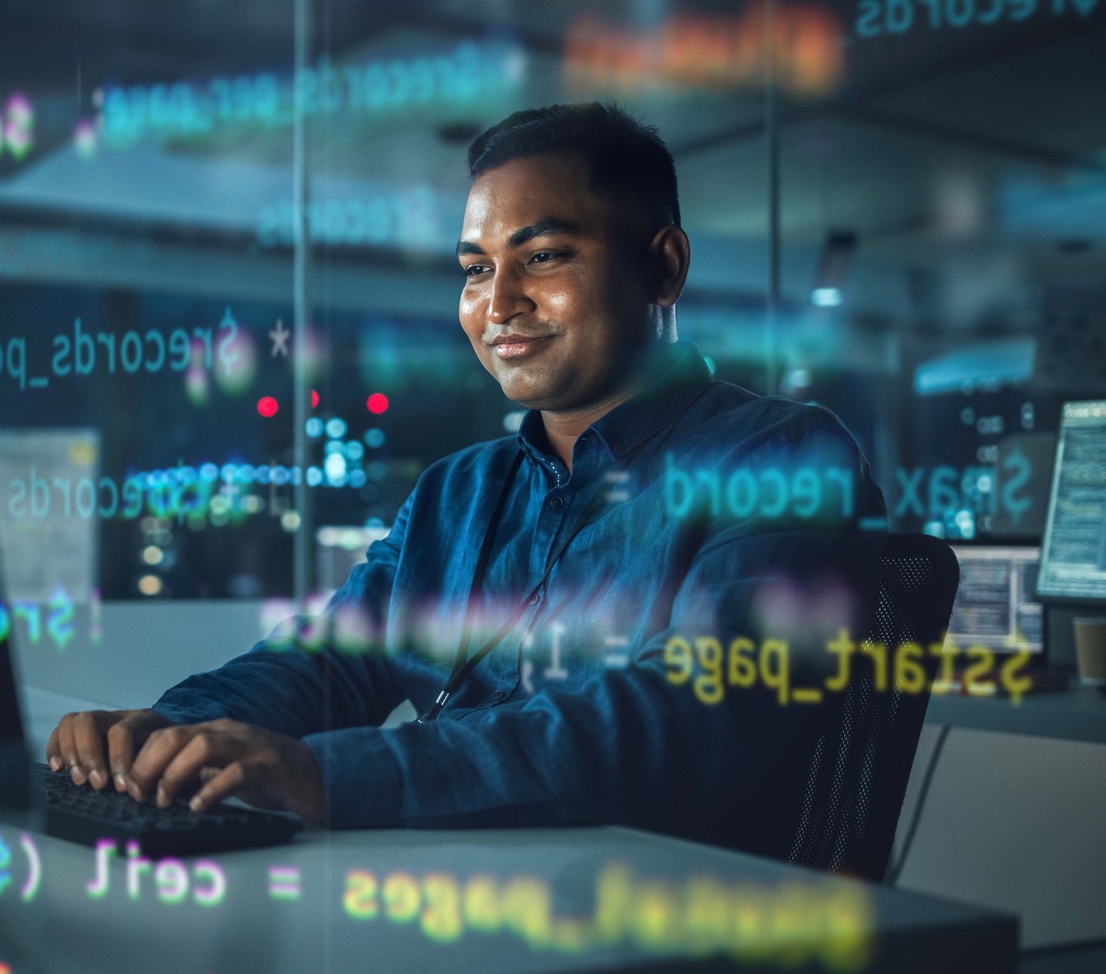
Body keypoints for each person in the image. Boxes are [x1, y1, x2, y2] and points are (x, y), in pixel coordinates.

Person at [45, 103, 886, 860]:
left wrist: (325, 775)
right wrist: (166, 732)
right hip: (462, 903)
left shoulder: (779, 457)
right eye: (476, 267)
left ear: (663, 268)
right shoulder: (459, 491)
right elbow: (331, 662)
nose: (498, 303)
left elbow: (682, 722)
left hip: (664, 941)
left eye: (544, 255)